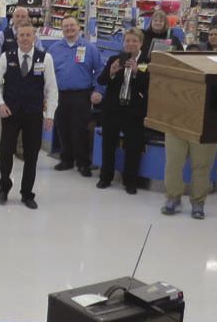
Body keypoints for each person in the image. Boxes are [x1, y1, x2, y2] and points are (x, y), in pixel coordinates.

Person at [0, 23, 57, 210]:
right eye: (22, 35)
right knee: (5, 151)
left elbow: (52, 89)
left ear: (34, 37)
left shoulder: (46, 59)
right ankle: (4, 187)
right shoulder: (7, 57)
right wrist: (0, 103)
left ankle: (27, 193)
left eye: (29, 35)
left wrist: (50, 115)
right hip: (10, 113)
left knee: (32, 155)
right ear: (17, 37)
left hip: (33, 114)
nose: (25, 38)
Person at [47, 17, 104, 178]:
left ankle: (83, 162)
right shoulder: (54, 49)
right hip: (60, 94)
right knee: (62, 127)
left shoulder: (90, 48)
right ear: (62, 29)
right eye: (66, 26)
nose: (69, 28)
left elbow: (100, 71)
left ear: (79, 27)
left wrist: (98, 90)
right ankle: (67, 159)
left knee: (80, 129)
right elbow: (47, 72)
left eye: (72, 25)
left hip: (82, 94)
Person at [97, 29, 150, 195]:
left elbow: (150, 85)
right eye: (127, 41)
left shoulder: (147, 62)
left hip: (134, 111)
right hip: (113, 109)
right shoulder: (115, 59)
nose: (130, 44)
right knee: (108, 144)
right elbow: (101, 80)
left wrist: (136, 72)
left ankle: (130, 181)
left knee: (133, 146)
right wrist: (111, 72)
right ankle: (105, 177)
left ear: (140, 43)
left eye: (134, 41)